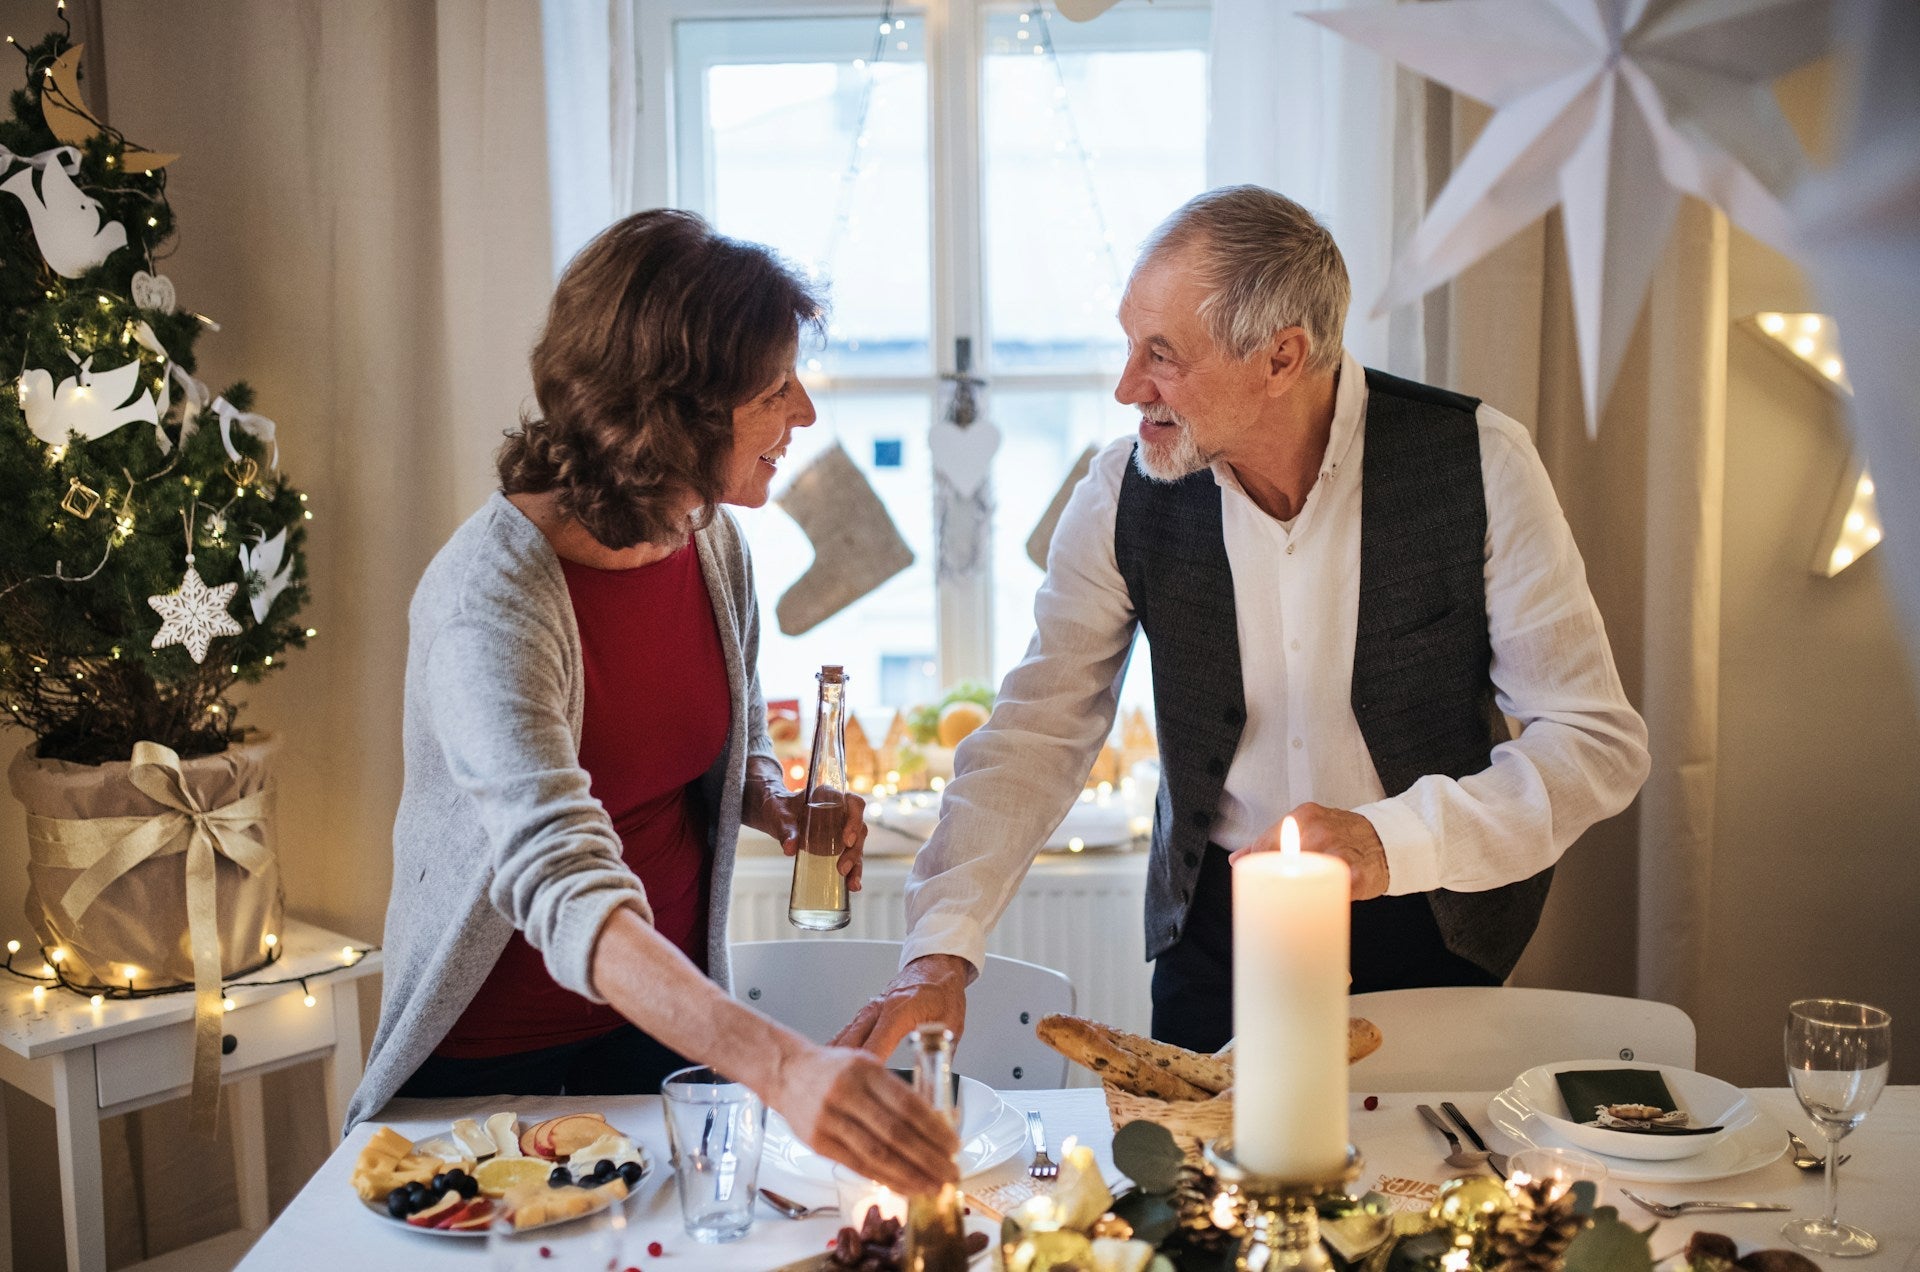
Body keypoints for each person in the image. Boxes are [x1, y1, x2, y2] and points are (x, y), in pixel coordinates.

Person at [838, 186, 1651, 1056]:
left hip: (1434, 922)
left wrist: (1391, 841)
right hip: (1214, 941)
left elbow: (1595, 742)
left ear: (1281, 357)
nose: (1126, 387)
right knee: (1196, 1192)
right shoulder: (1119, 494)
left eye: (1162, 355)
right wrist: (938, 951)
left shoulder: (1479, 463)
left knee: (1428, 1187)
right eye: (1129, 344)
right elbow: (1037, 731)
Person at [346, 209, 957, 1195]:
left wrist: (768, 798)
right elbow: (562, 878)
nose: (803, 413)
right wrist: (785, 1065)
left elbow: (736, 727)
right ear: (674, 418)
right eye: (773, 389)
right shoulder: (487, 604)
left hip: (661, 1042)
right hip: (490, 1073)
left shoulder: (710, 540)